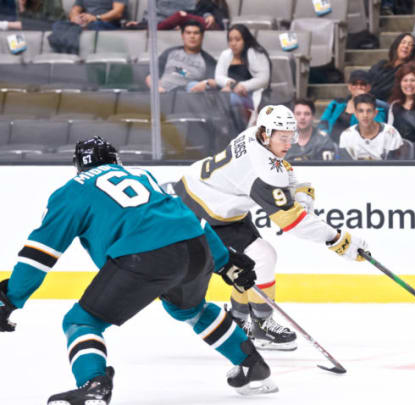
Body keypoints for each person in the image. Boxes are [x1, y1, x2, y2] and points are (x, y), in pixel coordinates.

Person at [0, 136, 277, 404]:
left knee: (81, 321)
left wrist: (11, 297)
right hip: (196, 246)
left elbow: (40, 254)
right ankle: (253, 365)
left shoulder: (71, 191)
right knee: (192, 310)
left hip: (144, 255)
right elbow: (190, 218)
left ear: (78, 166)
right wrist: (225, 261)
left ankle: (94, 384)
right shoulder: (142, 175)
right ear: (115, 160)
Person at [174, 105, 369, 351]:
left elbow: (281, 166)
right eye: (283, 137)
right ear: (267, 134)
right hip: (202, 211)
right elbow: (293, 222)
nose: (288, 143)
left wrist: (297, 190)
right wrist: (337, 239)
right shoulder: (262, 171)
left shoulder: (253, 134)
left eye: (291, 136)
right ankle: (261, 325)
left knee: (252, 261)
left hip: (215, 201)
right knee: (262, 257)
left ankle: (239, 319)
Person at [147, 20, 218, 93]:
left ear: (202, 36)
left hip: (187, 97)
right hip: (162, 94)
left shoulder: (208, 60)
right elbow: (151, 75)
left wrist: (206, 83)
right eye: (188, 33)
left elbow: (214, 82)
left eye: (196, 33)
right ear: (182, 35)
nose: (192, 36)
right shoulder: (170, 52)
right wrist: (157, 89)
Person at [215, 24, 271, 115]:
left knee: (228, 98)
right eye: (230, 40)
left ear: (245, 40)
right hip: (228, 92)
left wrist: (240, 86)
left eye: (237, 40)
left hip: (251, 96)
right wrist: (232, 85)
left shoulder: (256, 53)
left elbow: (263, 80)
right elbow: (218, 77)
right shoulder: (225, 54)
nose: (233, 43)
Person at [320, 69, 388, 143]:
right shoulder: (336, 104)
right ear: (349, 86)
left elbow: (375, 131)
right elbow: (323, 122)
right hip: (331, 146)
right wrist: (324, 137)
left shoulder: (376, 109)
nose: (358, 87)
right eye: (354, 84)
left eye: (363, 84)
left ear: (369, 87)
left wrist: (364, 100)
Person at [339, 93, 404, 160]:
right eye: (361, 111)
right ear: (355, 114)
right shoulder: (346, 135)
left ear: (375, 113)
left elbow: (396, 164)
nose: (365, 115)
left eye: (369, 111)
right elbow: (344, 166)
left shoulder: (391, 133)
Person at [369, 33, 415, 102]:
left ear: (412, 51)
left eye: (410, 45)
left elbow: (388, 91)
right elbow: (367, 79)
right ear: (397, 45)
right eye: (403, 42)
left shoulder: (407, 70)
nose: (406, 46)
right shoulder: (382, 64)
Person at [126, 0, 228, 30]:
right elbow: (151, 12)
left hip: (186, 24)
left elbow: (203, 7)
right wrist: (143, 23)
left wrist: (208, 15)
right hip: (162, 25)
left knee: (180, 16)